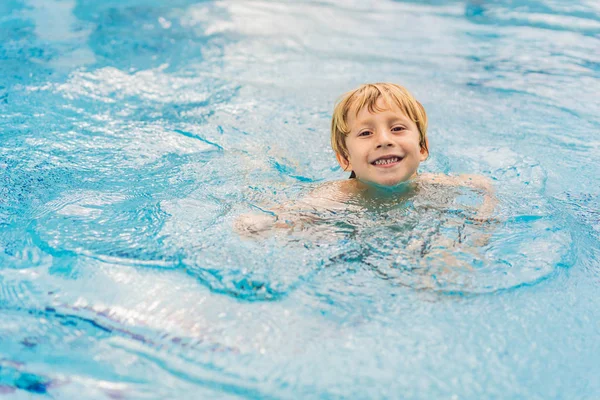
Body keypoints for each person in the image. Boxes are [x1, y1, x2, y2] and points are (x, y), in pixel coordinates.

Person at [235, 83, 496, 236]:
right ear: (345, 158)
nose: (384, 140)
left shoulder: (439, 186)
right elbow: (284, 215)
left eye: (397, 129)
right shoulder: (336, 197)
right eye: (366, 133)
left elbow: (483, 186)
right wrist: (263, 224)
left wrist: (482, 222)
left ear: (423, 148)